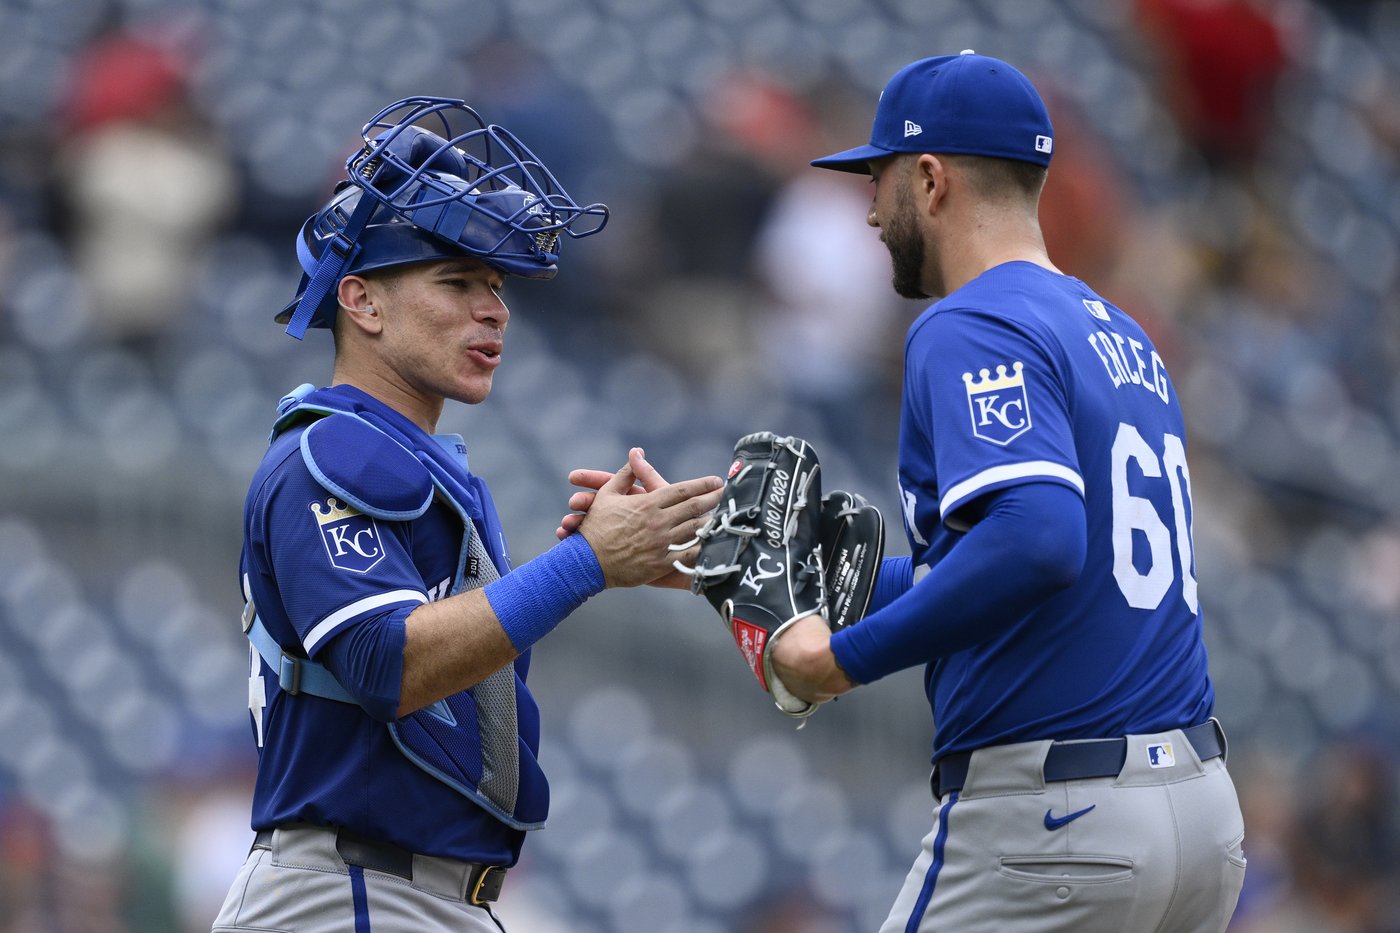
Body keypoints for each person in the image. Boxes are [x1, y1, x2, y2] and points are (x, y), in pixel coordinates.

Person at [212, 97, 722, 933]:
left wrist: (619, 556)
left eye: (494, 284)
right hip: (352, 890)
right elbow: (387, 662)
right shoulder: (336, 452)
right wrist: (586, 563)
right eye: (456, 281)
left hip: (413, 892)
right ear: (363, 302)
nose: (495, 308)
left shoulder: (409, 459)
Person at [767, 52, 1247, 931]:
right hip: (1200, 813)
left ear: (928, 176)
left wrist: (839, 660)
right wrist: (805, 577)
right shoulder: (1123, 334)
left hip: (1060, 824)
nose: (870, 210)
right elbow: (1022, 568)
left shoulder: (972, 318)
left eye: (876, 179)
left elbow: (1036, 539)